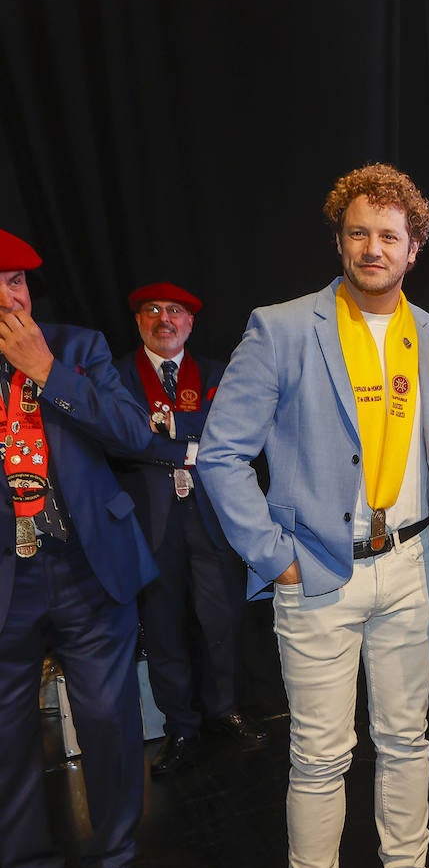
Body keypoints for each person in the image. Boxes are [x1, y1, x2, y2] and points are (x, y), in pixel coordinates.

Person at [198, 164, 429, 868]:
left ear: (414, 250)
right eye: (358, 233)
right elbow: (220, 454)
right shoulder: (281, 329)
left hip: (413, 568)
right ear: (340, 242)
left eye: (388, 235)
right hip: (315, 572)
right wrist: (274, 557)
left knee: (408, 740)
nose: (372, 248)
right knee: (319, 755)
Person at [0, 228, 159, 868]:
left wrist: (47, 373)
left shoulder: (78, 348)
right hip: (9, 580)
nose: (12, 298)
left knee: (109, 724)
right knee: (7, 744)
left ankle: (115, 860)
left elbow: (132, 434)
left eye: (18, 282)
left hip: (88, 568)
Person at [114, 281, 266, 775]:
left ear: (190, 321)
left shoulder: (217, 372)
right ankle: (180, 725)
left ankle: (224, 710)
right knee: (162, 629)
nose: (165, 319)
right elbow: (123, 438)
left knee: (222, 621)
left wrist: (167, 427)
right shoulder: (116, 375)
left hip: (211, 518)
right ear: (139, 320)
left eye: (175, 311)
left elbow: (231, 429)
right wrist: (192, 442)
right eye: (153, 310)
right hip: (149, 522)